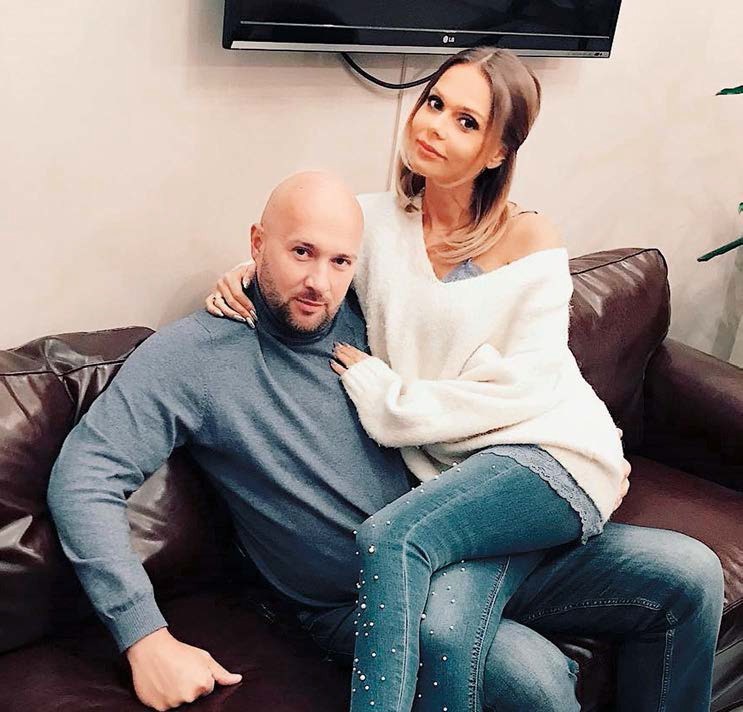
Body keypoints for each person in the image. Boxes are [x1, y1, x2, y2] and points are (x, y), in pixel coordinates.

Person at [206, 50, 725, 712]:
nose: (434, 126)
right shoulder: (372, 226)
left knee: (392, 537)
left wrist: (393, 401)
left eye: (465, 121)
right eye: (433, 103)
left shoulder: (531, 238)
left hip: (545, 457)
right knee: (455, 629)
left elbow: (528, 388)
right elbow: (301, 256)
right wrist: (241, 276)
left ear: (496, 151)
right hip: (457, 484)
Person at [47, 170, 590, 712]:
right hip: (356, 604)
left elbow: (505, 355)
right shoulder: (193, 356)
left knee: (648, 569)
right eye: (301, 252)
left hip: (461, 549)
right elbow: (84, 476)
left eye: (339, 261)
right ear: (257, 243)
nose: (319, 283)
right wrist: (145, 638)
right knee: (534, 677)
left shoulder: (372, 313)